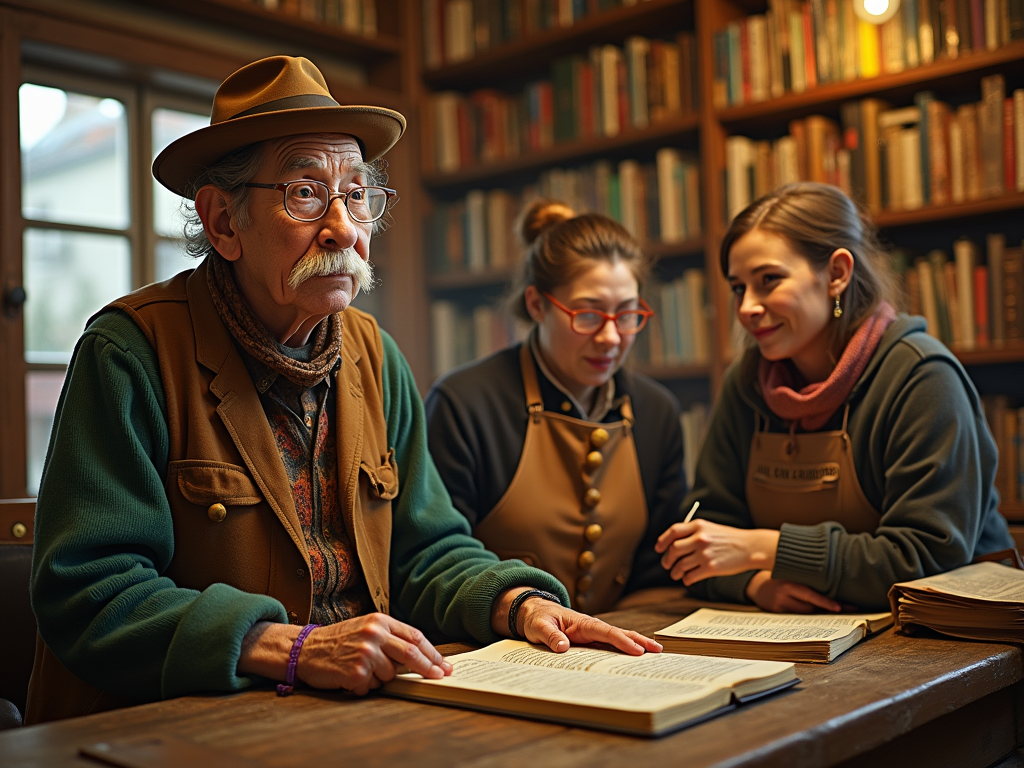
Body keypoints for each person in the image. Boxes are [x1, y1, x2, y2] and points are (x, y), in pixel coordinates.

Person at [26, 56, 660, 725]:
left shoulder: (375, 357)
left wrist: (521, 605)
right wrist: (289, 648)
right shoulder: (131, 353)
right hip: (172, 724)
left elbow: (428, 550)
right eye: (305, 192)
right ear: (221, 222)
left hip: (350, 711)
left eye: (357, 194)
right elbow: (89, 593)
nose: (342, 227)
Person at [654, 182, 1014, 613]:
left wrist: (767, 549)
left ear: (837, 274)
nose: (748, 306)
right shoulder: (745, 383)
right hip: (813, 638)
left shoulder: (922, 376)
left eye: (769, 280)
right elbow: (708, 537)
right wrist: (755, 584)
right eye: (738, 288)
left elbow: (928, 558)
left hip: (960, 640)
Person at [425, 200, 687, 613]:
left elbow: (659, 571)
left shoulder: (657, 412)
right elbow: (436, 563)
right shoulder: (465, 405)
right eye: (587, 314)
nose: (611, 338)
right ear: (536, 304)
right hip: (498, 648)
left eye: (627, 315)